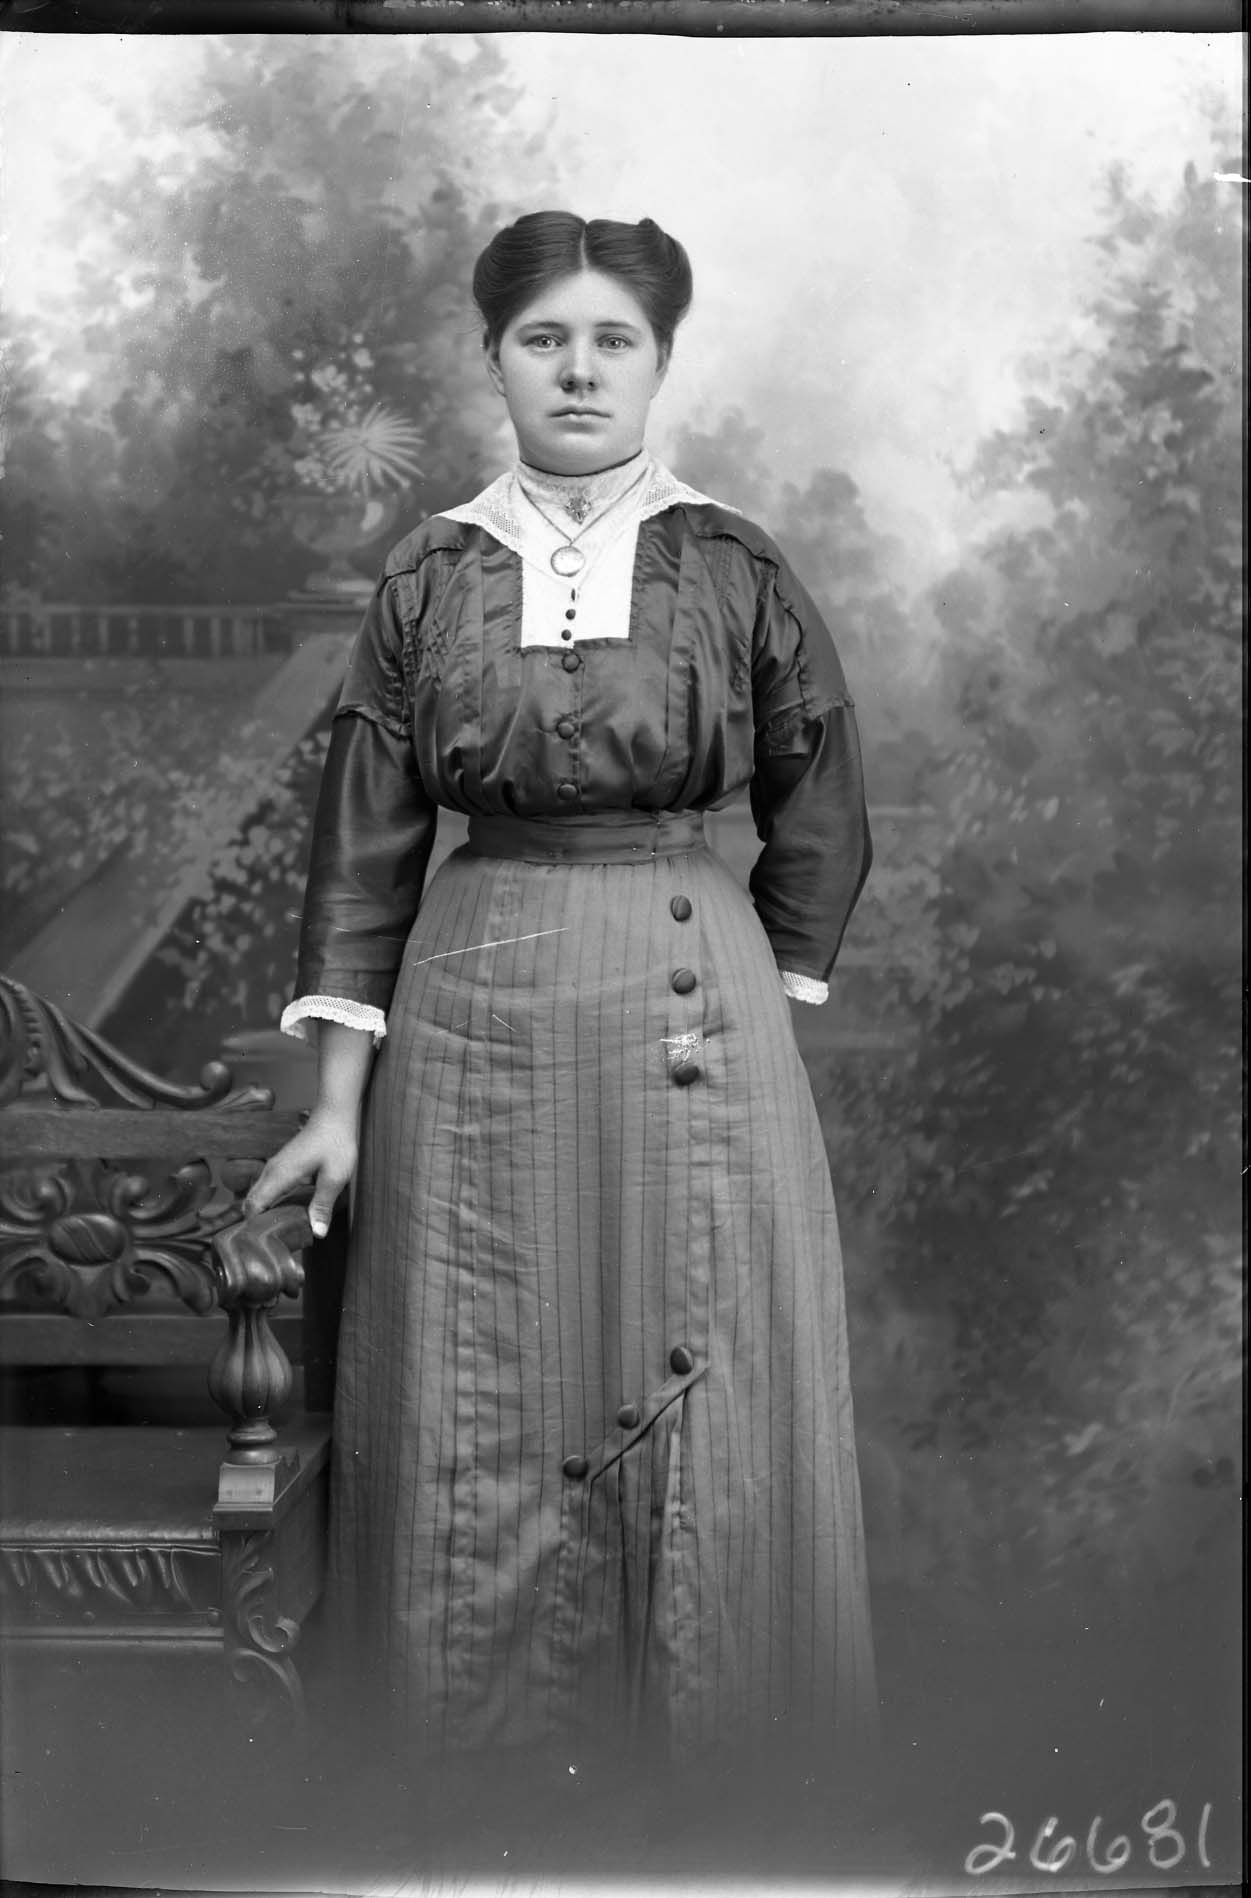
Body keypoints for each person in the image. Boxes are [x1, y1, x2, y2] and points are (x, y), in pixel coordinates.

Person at [246, 211, 878, 1801]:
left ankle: (710, 1783)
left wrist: (760, 981)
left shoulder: (732, 562)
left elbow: (819, 786)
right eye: (546, 339)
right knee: (486, 1362)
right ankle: (482, 1788)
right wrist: (336, 1112)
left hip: (691, 1001)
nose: (580, 370)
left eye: (613, 341)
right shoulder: (431, 574)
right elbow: (362, 851)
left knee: (698, 1360)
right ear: (495, 361)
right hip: (475, 1000)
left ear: (659, 362)